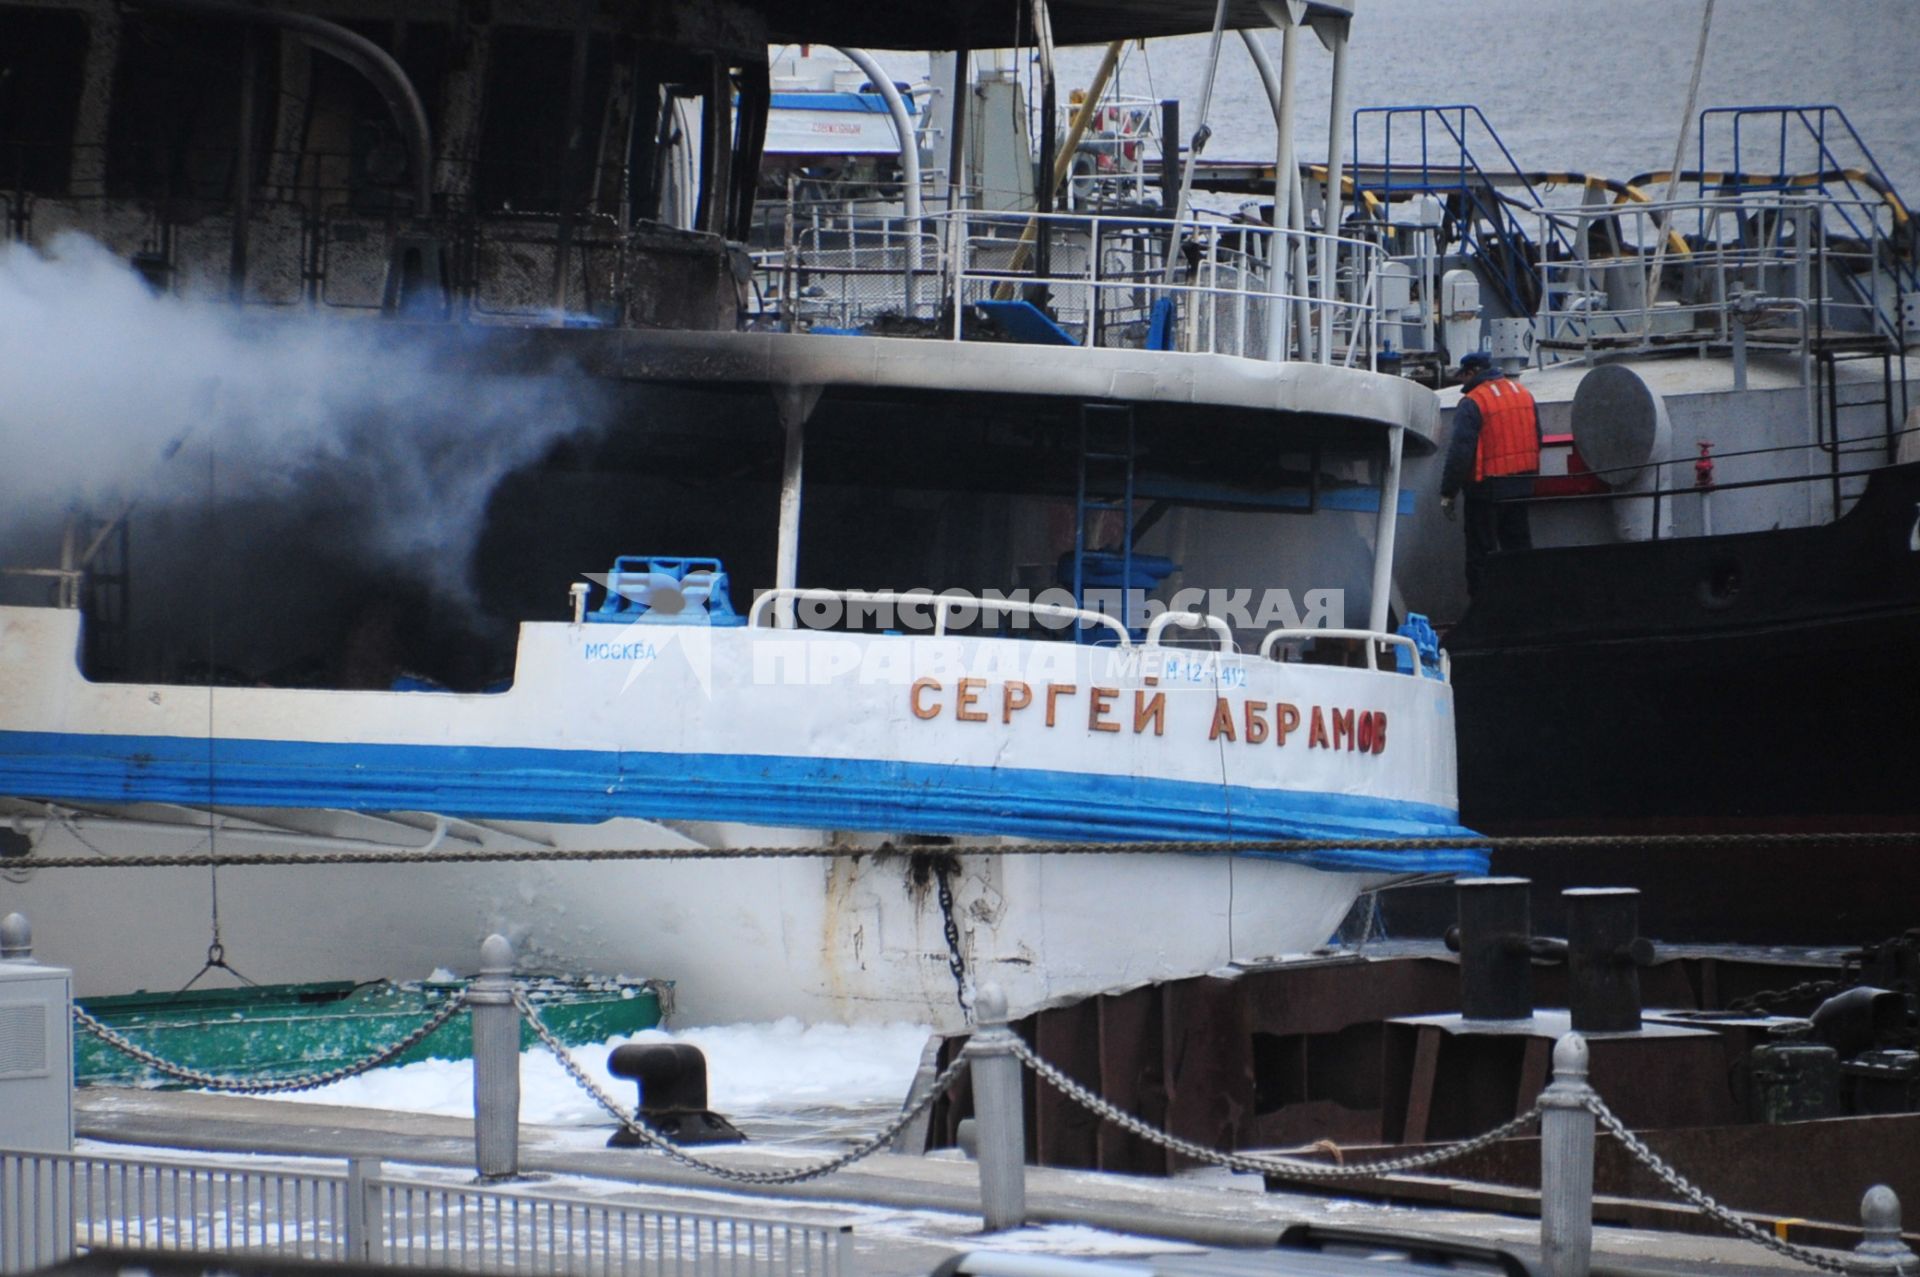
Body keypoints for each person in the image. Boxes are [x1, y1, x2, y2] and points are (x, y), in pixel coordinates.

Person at [1440, 351, 1540, 592]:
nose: (1461, 383)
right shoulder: (1523, 394)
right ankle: (1524, 608)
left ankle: (1482, 616)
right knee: (1519, 552)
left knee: (1481, 556)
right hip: (1521, 486)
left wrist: (1448, 492)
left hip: (1486, 491)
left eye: (1462, 376)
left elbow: (1460, 452)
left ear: (1472, 372)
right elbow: (1538, 437)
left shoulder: (1473, 402)